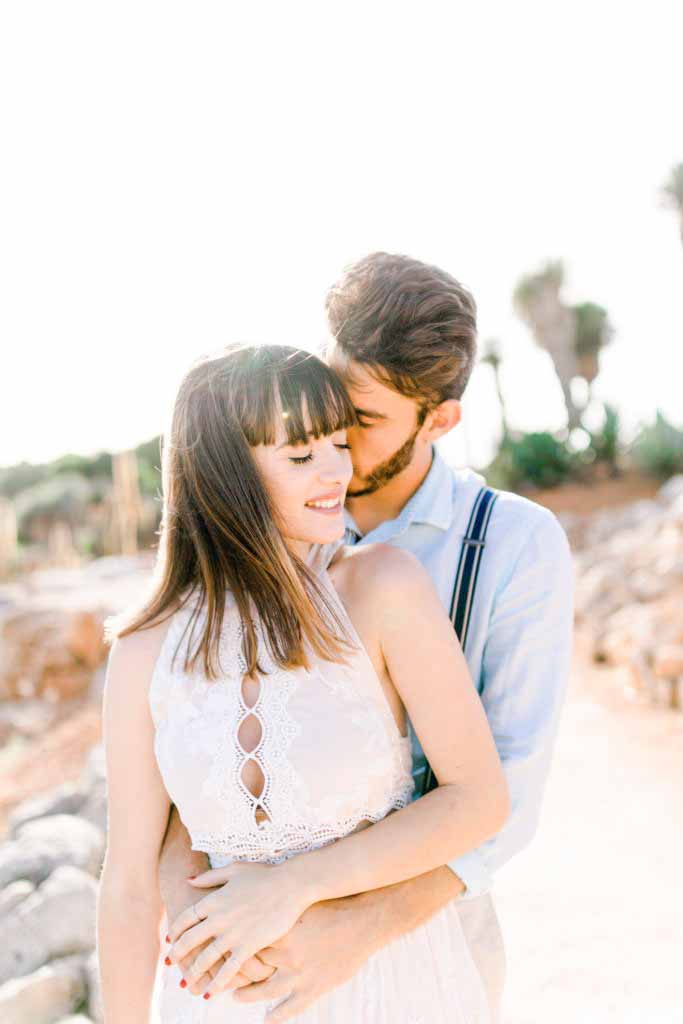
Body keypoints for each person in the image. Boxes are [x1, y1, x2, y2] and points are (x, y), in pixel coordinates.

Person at [157, 255, 574, 1022]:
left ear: (439, 420)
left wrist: (356, 927)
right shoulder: (271, 523)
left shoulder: (513, 544)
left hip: (426, 927)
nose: (332, 440)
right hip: (251, 937)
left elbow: (508, 790)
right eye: (327, 408)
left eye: (364, 422)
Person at [97, 343, 509, 1023]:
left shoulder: (382, 586)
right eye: (300, 456)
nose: (337, 473)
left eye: (337, 444)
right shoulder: (144, 648)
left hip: (390, 984)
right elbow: (129, 883)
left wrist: (291, 888)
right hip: (221, 1001)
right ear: (224, 475)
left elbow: (478, 799)